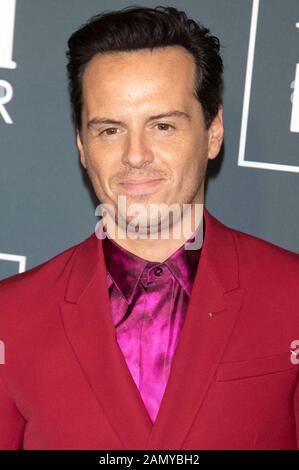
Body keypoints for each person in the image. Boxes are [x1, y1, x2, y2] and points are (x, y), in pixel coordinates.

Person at [0, 5, 298, 450]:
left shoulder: (290, 293)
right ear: (82, 145)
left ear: (213, 131)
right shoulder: (11, 317)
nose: (135, 155)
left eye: (162, 126)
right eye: (110, 130)